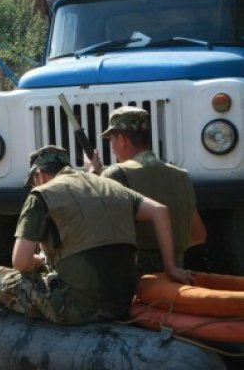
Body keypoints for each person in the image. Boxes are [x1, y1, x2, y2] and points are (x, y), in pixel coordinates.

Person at [0, 145, 194, 325]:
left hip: (77, 307)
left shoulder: (42, 195)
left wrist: (39, 263)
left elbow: (20, 263)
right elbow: (160, 212)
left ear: (38, 175)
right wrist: (171, 267)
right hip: (123, 300)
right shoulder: (111, 186)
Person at [87, 106, 208, 275]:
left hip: (134, 281)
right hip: (174, 279)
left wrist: (92, 175)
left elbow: (94, 229)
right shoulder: (181, 176)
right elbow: (198, 235)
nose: (112, 147)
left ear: (122, 139)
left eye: (111, 140)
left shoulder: (116, 174)